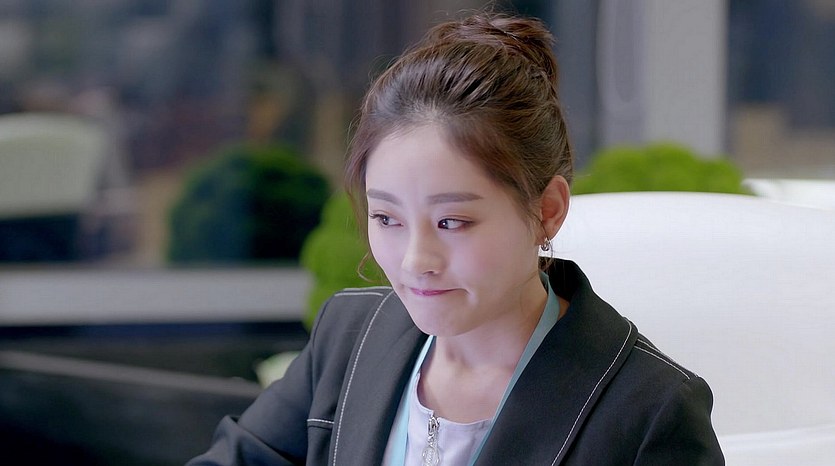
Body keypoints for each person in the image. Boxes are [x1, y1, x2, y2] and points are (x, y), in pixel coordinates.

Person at [188, 12, 724, 465]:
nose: (415, 260)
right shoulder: (348, 338)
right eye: (387, 218)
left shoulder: (649, 411)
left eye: (452, 222)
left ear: (548, 210)